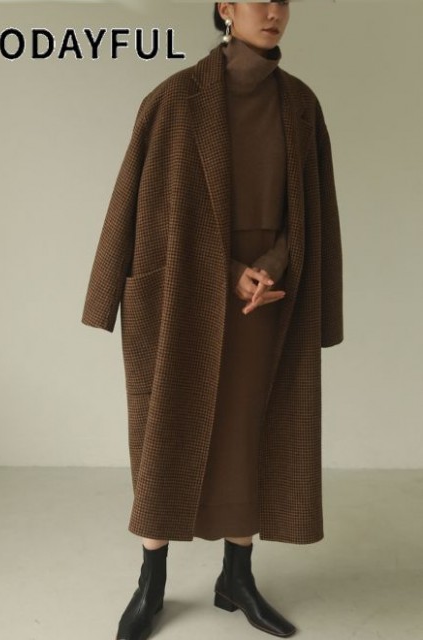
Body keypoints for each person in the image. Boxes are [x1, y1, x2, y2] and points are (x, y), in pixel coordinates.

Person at [81, 2, 343, 638]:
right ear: (225, 7)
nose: (274, 11)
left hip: (267, 299)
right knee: (167, 430)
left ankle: (237, 577)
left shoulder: (300, 105)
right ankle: (151, 583)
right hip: (183, 292)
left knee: (252, 430)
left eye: (283, 0)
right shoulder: (176, 99)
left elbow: (311, 211)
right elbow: (144, 209)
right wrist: (226, 272)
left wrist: (271, 267)